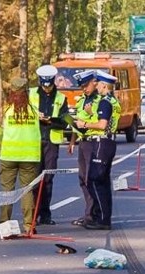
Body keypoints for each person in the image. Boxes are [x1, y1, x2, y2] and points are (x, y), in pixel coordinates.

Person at [0, 77, 42, 235]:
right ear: (27, 93)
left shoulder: (8, 110)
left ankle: (3, 223)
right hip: (29, 157)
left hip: (9, 156)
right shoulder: (34, 111)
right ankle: (29, 226)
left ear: (12, 92)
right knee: (26, 191)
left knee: (7, 191)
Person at [71, 69, 115, 230]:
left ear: (101, 85)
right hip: (90, 140)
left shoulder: (104, 101)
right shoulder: (93, 100)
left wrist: (85, 124)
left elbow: (103, 125)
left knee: (97, 181)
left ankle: (102, 218)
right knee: (91, 180)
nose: (93, 87)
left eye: (97, 84)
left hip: (100, 142)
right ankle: (95, 216)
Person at [30, 64, 70, 227]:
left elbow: (66, 122)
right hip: (34, 141)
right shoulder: (31, 94)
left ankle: (45, 214)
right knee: (34, 180)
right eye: (44, 85)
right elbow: (23, 115)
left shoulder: (61, 98)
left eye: (49, 85)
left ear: (53, 82)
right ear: (40, 82)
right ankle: (33, 215)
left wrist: (50, 121)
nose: (47, 89)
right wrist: (36, 117)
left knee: (48, 179)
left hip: (51, 143)